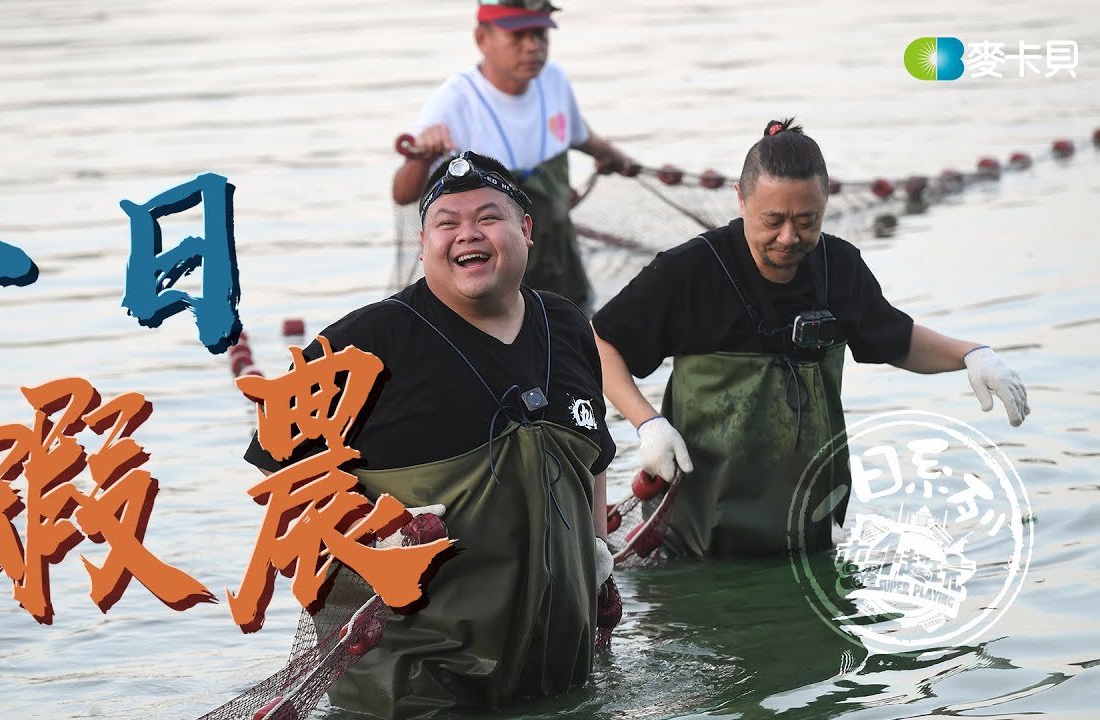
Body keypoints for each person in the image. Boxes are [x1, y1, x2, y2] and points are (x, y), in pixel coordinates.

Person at [245, 152, 616, 718]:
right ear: (423, 241)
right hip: (415, 682)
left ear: (527, 230)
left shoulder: (564, 325)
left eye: (489, 217)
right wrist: (366, 541)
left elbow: (592, 458)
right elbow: (281, 474)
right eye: (447, 222)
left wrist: (597, 552)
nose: (468, 234)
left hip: (557, 670)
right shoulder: (366, 343)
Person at [591, 119, 1030, 559]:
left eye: (806, 220)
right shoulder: (689, 272)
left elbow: (895, 339)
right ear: (741, 200)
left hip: (807, 525)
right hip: (696, 534)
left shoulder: (838, 266)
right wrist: (648, 424)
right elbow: (601, 343)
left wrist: (972, 355)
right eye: (772, 220)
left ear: (825, 203)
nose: (789, 237)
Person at [391, 0, 637, 311]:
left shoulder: (554, 81)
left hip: (562, 270)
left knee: (576, 336)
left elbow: (581, 136)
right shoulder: (453, 102)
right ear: (482, 39)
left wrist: (619, 159)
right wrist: (422, 158)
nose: (533, 47)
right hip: (492, 282)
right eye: (518, 36)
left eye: (540, 35)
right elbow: (402, 193)